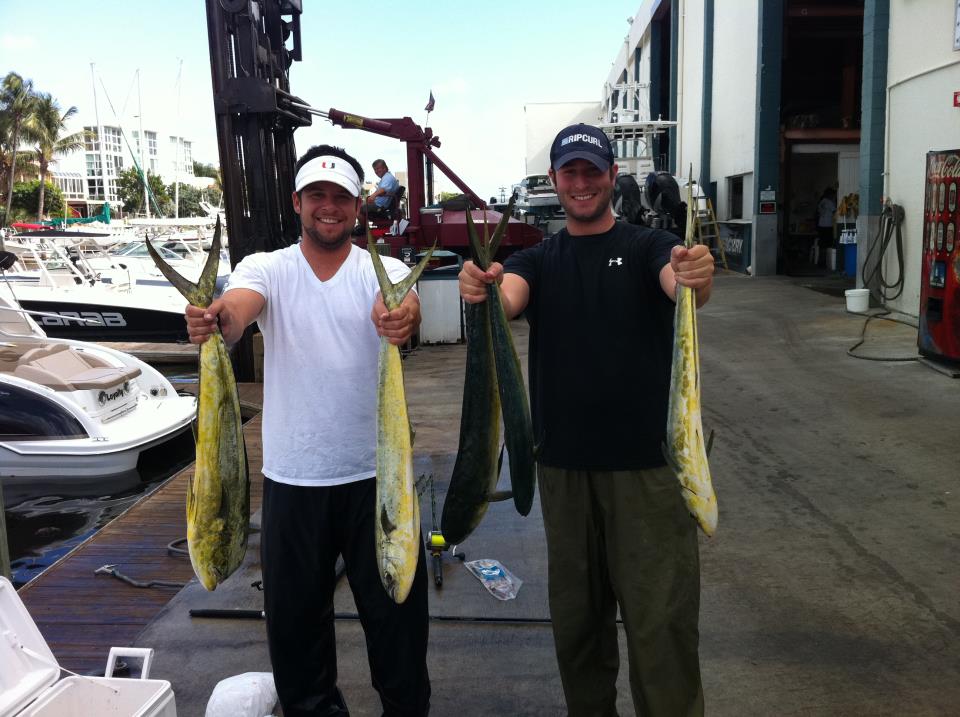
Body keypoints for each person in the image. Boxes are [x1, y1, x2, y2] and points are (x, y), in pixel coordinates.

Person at [458, 123, 715, 717]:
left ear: (611, 177)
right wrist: (484, 288)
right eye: (569, 172)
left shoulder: (649, 245)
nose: (580, 183)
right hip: (564, 474)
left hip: (650, 472)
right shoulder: (538, 259)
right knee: (578, 630)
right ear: (554, 181)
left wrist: (694, 277)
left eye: (591, 172)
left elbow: (681, 285)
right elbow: (509, 295)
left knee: (662, 628)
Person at [185, 144, 430, 717]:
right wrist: (220, 318)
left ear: (356, 207)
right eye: (316, 195)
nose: (328, 207)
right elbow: (242, 307)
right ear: (297, 202)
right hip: (292, 484)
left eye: (340, 197)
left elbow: (407, 306)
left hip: (379, 481)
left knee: (398, 628)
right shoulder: (267, 267)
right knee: (296, 641)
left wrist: (401, 317)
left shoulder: (385, 270)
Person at [816, 187, 837, 267]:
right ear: (830, 195)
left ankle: (820, 262)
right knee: (827, 244)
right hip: (828, 225)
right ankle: (825, 263)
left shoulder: (822, 202)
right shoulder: (829, 202)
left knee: (822, 244)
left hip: (821, 225)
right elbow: (835, 212)